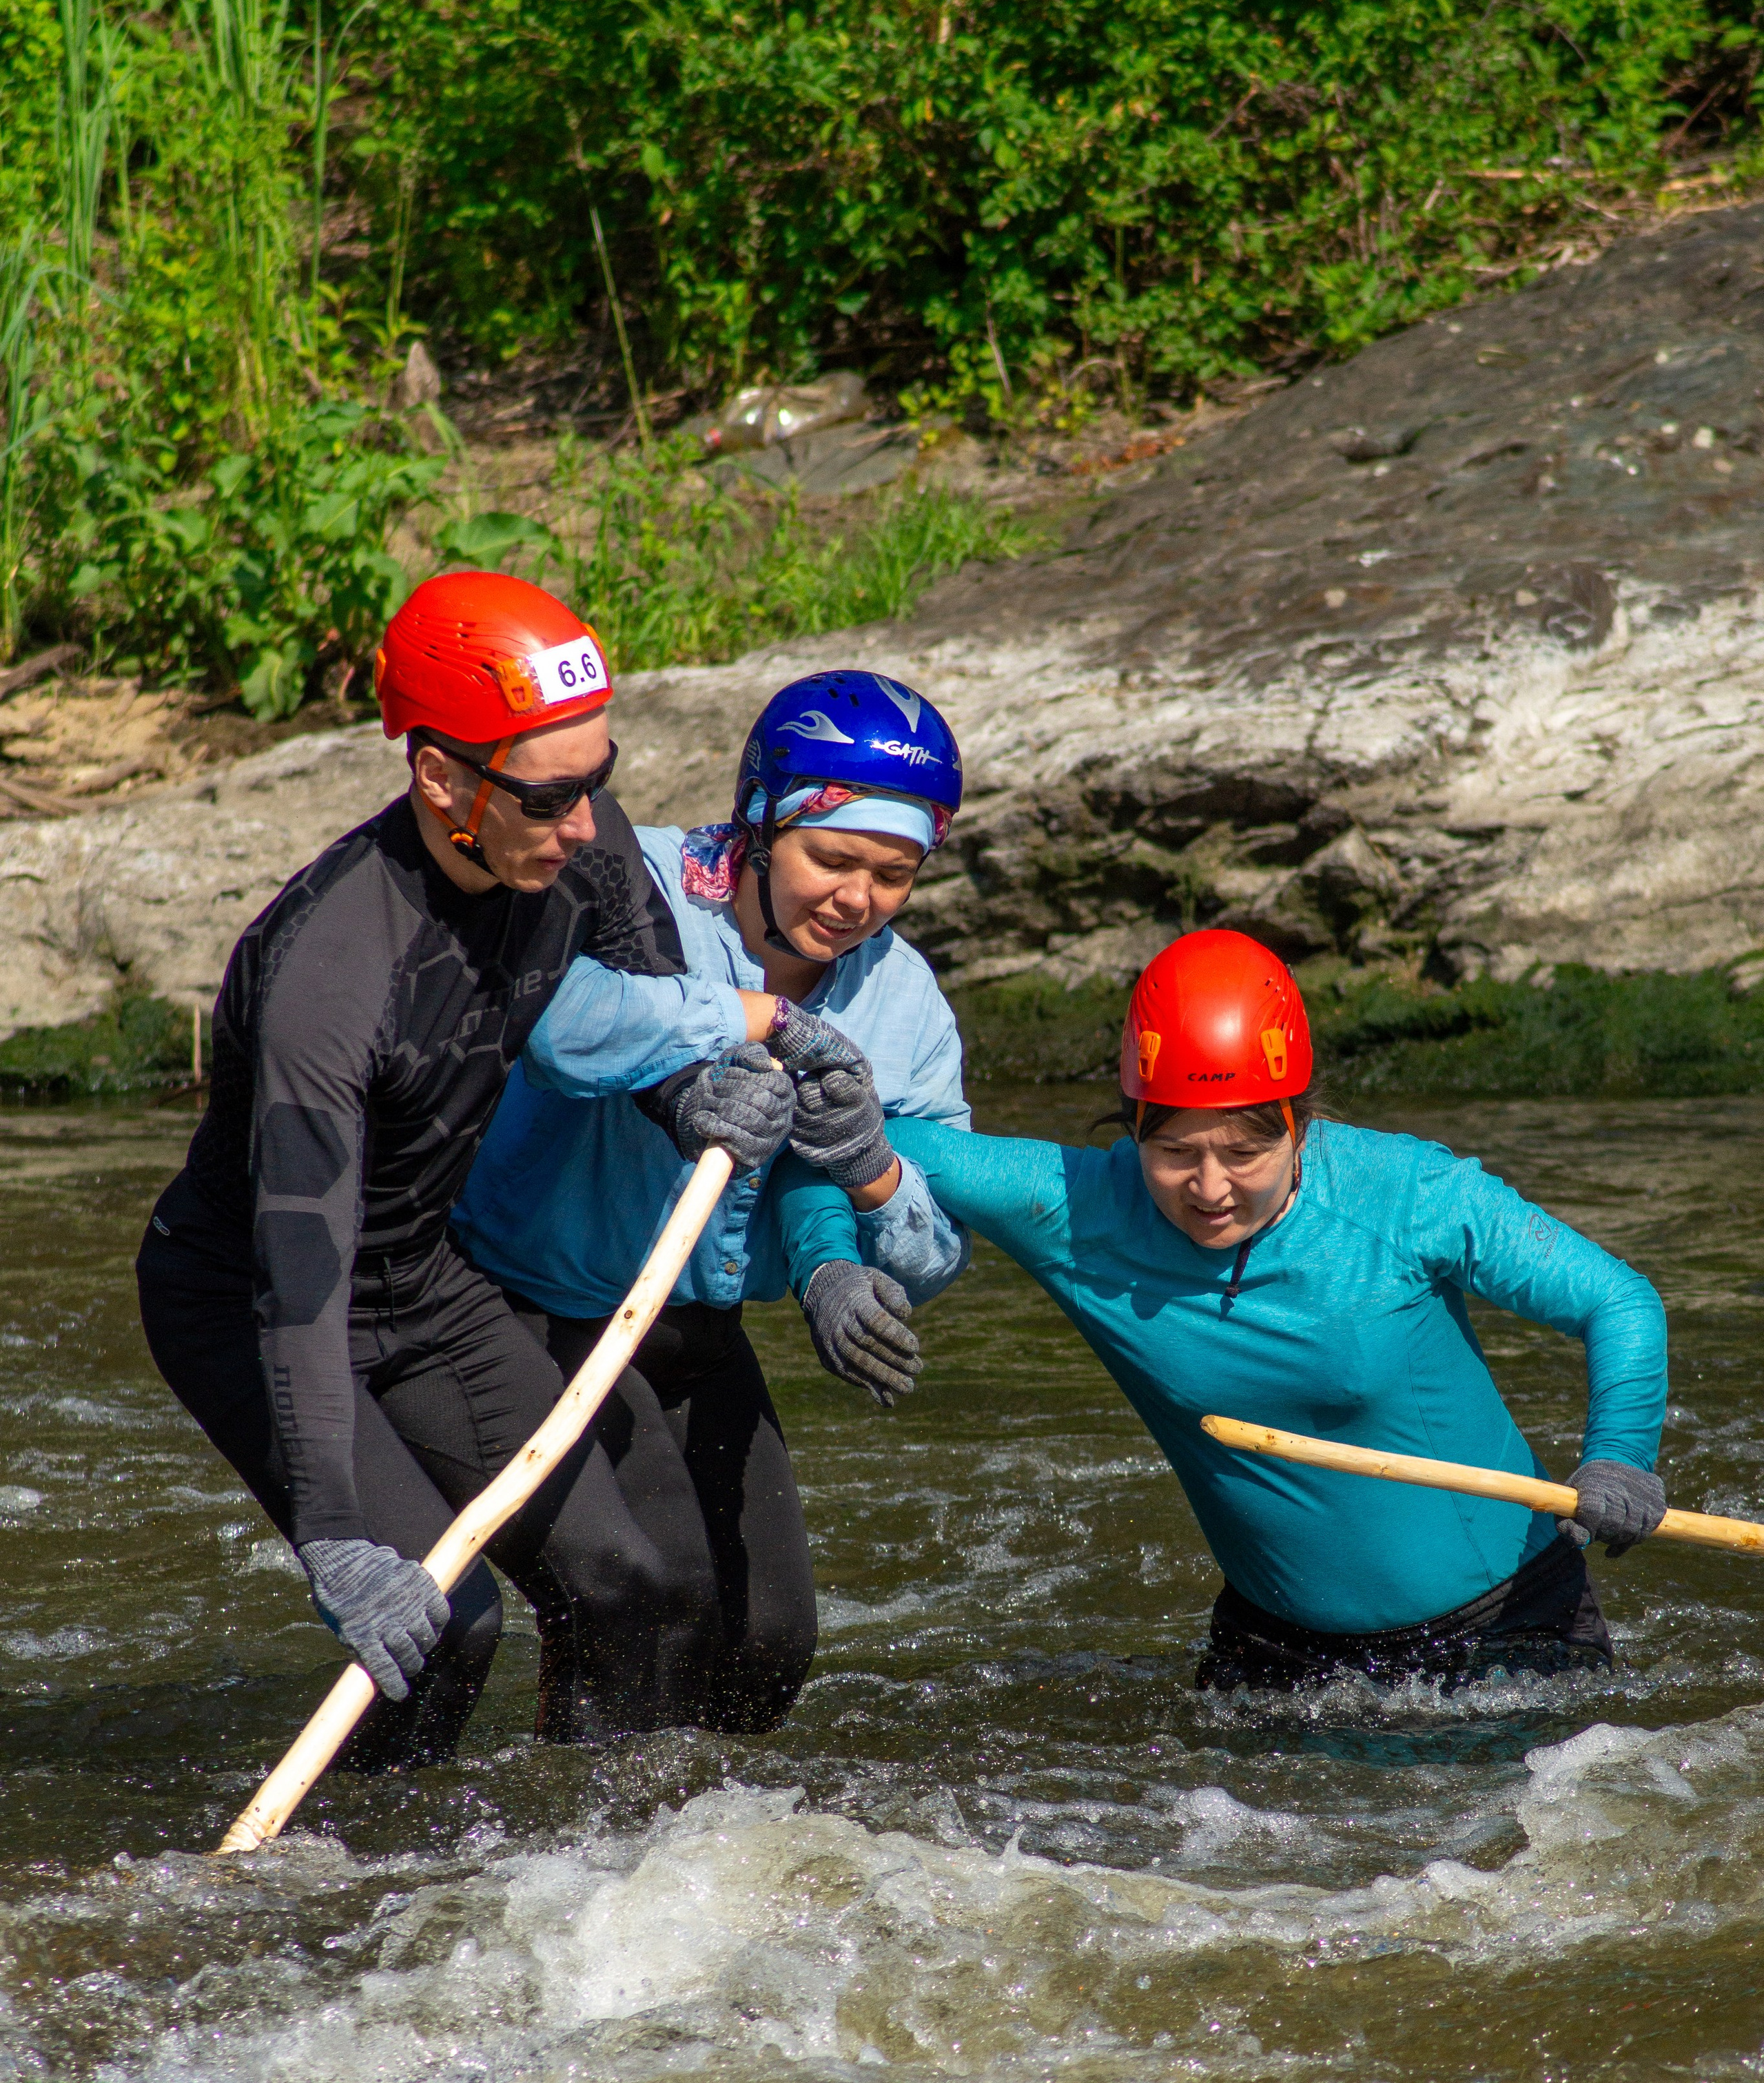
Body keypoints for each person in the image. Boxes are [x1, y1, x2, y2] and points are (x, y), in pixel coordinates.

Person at [136, 570, 788, 1769]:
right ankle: (374, 1926)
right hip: (257, 1299)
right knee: (443, 1632)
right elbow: (301, 1282)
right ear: (439, 777)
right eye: (550, 798)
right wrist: (336, 1536)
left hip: (421, 1273)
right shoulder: (329, 974)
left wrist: (691, 1090)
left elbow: (657, 1011)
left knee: (627, 1584)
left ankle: (578, 1899)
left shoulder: (566, 835)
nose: (588, 826)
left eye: (599, 779)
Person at [778, 927, 1670, 1692]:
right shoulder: (1078, 1208)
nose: (1210, 1188)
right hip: (1274, 1656)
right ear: (1131, 1127)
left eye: (1247, 1149)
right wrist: (829, 1265)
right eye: (1174, 1150)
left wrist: (1620, 1456)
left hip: (1501, 1636)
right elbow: (839, 1138)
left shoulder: (1411, 1193)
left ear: (1300, 1120)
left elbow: (1618, 1301)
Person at [452, 668, 971, 1741]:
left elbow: (933, 1249)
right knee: (652, 1601)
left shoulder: (904, 996)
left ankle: (705, 1866)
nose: (856, 899)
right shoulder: (629, 879)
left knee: (767, 1644)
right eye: (830, 857)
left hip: (695, 1328)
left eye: (895, 872)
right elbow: (560, 1021)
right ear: (760, 818)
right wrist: (724, 1039)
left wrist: (866, 1189)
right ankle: (574, 1852)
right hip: (534, 1307)